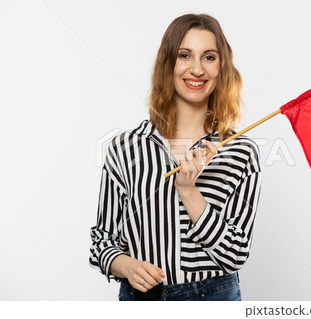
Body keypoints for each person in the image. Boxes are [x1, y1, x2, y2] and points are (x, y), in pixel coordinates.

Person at [89, 13, 262, 301]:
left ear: (222, 68)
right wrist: (128, 266)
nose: (196, 69)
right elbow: (101, 242)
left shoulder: (241, 152)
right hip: (141, 298)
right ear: (169, 64)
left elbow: (235, 254)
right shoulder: (124, 148)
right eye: (185, 55)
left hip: (214, 296)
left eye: (209, 57)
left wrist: (188, 191)